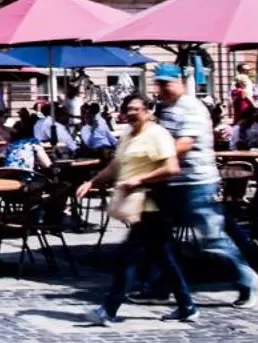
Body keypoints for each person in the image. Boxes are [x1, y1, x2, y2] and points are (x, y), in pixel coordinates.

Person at [152, 64, 258, 306]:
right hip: (172, 182)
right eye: (159, 83)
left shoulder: (191, 107)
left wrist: (148, 158)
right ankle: (159, 286)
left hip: (197, 182)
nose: (162, 88)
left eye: (166, 83)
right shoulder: (165, 109)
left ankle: (249, 282)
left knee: (212, 238)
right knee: (157, 236)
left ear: (180, 82)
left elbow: (183, 144)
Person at [78, 94, 192, 324]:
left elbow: (172, 168)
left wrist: (140, 179)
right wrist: (93, 182)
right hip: (138, 205)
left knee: (128, 257)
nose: (130, 113)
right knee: (163, 257)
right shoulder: (128, 136)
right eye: (127, 109)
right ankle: (186, 305)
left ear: (149, 111)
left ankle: (109, 309)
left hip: (153, 203)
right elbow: (115, 166)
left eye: (135, 109)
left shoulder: (157, 135)